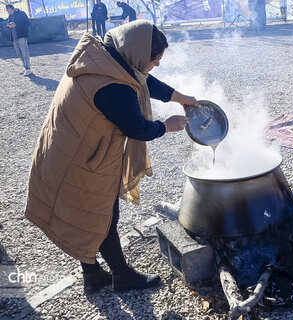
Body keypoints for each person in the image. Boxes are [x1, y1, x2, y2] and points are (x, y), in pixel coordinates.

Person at [24, 20, 199, 294]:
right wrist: (168, 125)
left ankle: (92, 274)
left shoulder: (106, 58)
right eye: (156, 59)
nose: (157, 65)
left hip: (66, 147)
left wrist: (179, 97)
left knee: (90, 215)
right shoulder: (112, 86)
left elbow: (143, 79)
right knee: (103, 215)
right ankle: (122, 275)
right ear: (140, 54)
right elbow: (137, 128)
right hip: (80, 158)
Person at [6, 4, 31, 76]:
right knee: (19, 54)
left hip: (22, 36)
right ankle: (25, 67)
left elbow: (26, 23)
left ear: (13, 8)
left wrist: (16, 24)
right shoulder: (10, 15)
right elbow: (8, 23)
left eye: (10, 11)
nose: (9, 13)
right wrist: (8, 25)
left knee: (25, 53)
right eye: (8, 12)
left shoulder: (22, 14)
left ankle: (28, 69)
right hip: (14, 37)